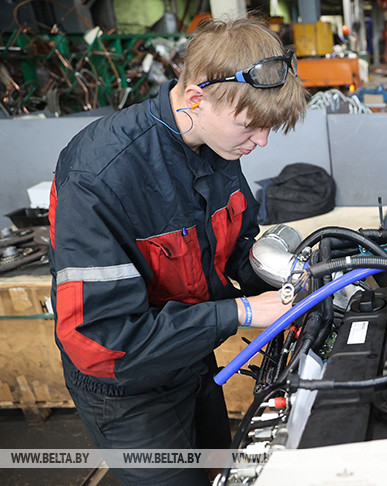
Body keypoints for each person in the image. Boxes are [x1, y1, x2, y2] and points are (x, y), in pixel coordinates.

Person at [49, 17, 307, 485]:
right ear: (196, 99)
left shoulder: (216, 144)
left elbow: (236, 246)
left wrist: (295, 280)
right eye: (251, 126)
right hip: (129, 391)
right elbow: (104, 340)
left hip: (190, 357)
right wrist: (244, 312)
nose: (263, 141)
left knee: (216, 473)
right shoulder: (100, 176)